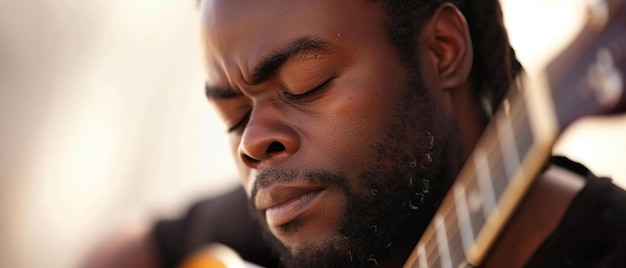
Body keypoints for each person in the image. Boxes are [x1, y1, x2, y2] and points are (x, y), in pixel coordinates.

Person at [84, 0, 626, 267]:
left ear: (443, 51)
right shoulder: (322, 215)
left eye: (306, 83)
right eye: (233, 115)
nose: (252, 142)